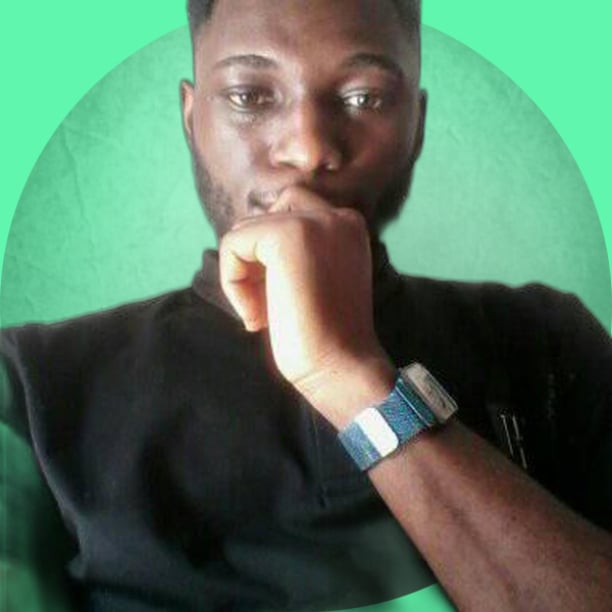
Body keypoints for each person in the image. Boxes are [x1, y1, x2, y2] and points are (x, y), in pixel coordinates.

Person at [1, 0, 611, 610]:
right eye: (249, 96)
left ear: (417, 124)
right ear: (192, 118)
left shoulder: (548, 341)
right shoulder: (31, 381)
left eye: (365, 97)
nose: (309, 147)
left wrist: (347, 376)